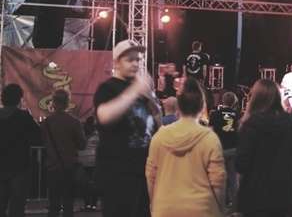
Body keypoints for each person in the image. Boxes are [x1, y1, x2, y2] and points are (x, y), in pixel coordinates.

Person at [94, 40, 161, 217]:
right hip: (117, 172)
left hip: (143, 171)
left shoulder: (142, 90)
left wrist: (154, 106)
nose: (135, 64)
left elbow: (156, 127)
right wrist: (134, 91)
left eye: (138, 59)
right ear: (116, 62)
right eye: (129, 60)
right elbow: (104, 116)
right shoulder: (107, 88)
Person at [146, 77, 225, 217]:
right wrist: (221, 210)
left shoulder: (159, 137)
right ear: (202, 106)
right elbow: (218, 183)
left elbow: (151, 177)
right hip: (202, 210)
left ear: (179, 107)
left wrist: (155, 205)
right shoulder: (210, 139)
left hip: (165, 209)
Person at [237, 79, 292, 217]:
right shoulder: (291, 124)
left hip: (256, 195)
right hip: (285, 195)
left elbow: (241, 164)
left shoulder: (251, 124)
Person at [41, 89, 86, 217]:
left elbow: (43, 142)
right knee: (68, 203)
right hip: (69, 167)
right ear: (67, 103)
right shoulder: (74, 122)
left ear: (53, 102)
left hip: (52, 166)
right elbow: (82, 145)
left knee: (53, 203)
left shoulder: (46, 123)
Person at [0, 84, 41, 217]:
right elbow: (38, 137)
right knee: (17, 205)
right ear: (18, 98)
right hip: (19, 166)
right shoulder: (23, 116)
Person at [209, 91, 240, 210]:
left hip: (219, 149)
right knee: (233, 178)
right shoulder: (237, 114)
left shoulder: (215, 114)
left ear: (223, 100)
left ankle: (221, 205)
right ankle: (235, 205)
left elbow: (210, 132)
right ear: (234, 102)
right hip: (233, 148)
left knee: (219, 178)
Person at [78, 116, 99, 211]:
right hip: (90, 161)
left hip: (86, 161)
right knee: (90, 184)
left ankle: (89, 204)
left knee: (86, 184)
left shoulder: (84, 134)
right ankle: (91, 204)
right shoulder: (96, 134)